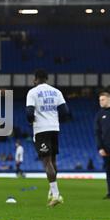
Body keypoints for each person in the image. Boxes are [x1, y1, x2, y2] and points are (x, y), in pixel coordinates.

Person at [26, 69, 70, 207]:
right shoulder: (56, 92)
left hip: (41, 129)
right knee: (53, 160)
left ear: (35, 79)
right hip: (54, 128)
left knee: (46, 162)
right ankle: (52, 192)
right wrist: (54, 119)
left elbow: (29, 113)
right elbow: (65, 111)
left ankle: (56, 195)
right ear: (47, 79)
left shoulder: (33, 92)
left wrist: (31, 120)